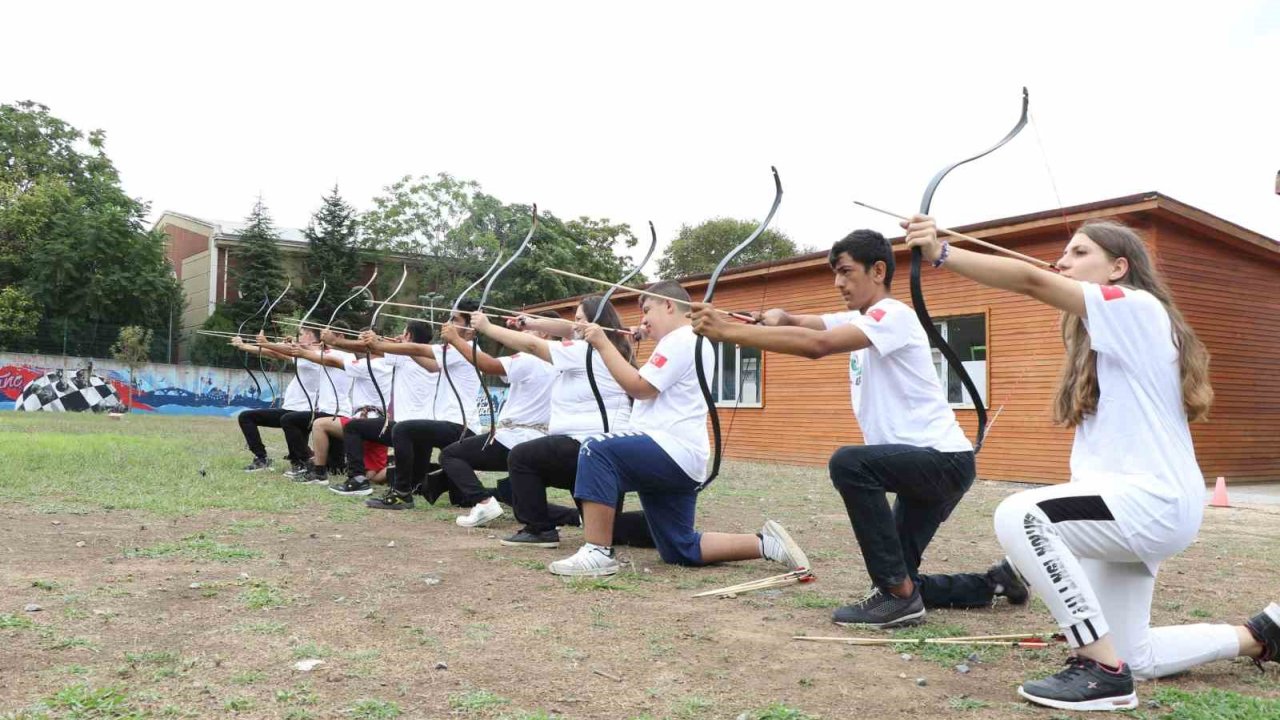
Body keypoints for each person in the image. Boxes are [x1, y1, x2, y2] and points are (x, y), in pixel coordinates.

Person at [903, 215, 1279, 711]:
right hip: (1128, 508)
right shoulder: (1105, 339)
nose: (1063, 261)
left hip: (1150, 501)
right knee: (1133, 652)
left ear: (1119, 267)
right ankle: (1259, 634)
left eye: (1080, 253)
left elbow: (1034, 280)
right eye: (1065, 254)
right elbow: (1047, 281)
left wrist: (942, 254)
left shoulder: (1140, 308)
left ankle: (1099, 670)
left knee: (1020, 514)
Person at [691, 230, 1021, 627]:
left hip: (941, 461)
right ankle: (994, 583)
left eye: (846, 272)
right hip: (927, 463)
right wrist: (779, 317)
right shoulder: (861, 318)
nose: (838, 282)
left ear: (878, 270)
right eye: (835, 273)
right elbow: (807, 326)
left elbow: (819, 346)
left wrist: (727, 332)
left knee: (850, 464)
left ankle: (899, 598)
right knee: (897, 571)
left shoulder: (892, 315)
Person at [545, 281, 807, 578]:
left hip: (668, 448)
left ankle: (597, 552)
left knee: (595, 449)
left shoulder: (682, 338)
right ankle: (767, 544)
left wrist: (604, 343)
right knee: (679, 547)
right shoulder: (685, 340)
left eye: (647, 310)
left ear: (668, 305)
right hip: (680, 457)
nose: (642, 319)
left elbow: (639, 388)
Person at [470, 295, 635, 548]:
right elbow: (569, 328)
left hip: (589, 447)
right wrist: (530, 323)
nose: (574, 325)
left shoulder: (583, 350)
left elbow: (534, 347)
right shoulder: (613, 347)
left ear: (595, 324)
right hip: (600, 449)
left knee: (522, 457)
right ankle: (659, 528)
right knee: (612, 531)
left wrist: (487, 327)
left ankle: (539, 530)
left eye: (580, 319)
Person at [440, 311, 560, 527]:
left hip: (514, 438)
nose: (524, 332)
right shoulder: (562, 361)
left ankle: (483, 502)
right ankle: (575, 517)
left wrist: (456, 340)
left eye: (532, 326)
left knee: (450, 455)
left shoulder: (530, 358)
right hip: (539, 442)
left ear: (546, 333)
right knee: (519, 499)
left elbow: (488, 365)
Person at [360, 302, 483, 510]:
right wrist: (398, 347)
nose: (447, 323)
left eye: (454, 320)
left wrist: (379, 344)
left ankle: (401, 493)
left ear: (471, 328)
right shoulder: (459, 351)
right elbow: (432, 365)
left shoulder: (463, 349)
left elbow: (417, 347)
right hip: (457, 426)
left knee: (403, 429)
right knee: (462, 499)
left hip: (460, 427)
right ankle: (423, 483)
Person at [320, 321, 439, 497]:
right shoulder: (436, 357)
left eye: (403, 332)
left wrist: (336, 341)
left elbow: (371, 348)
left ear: (408, 337)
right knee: (416, 484)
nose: (399, 335)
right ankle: (425, 476)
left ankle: (357, 480)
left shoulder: (405, 355)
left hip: (405, 427)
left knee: (353, 427)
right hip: (429, 428)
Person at [231, 335, 316, 473]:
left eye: (303, 334)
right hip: (289, 409)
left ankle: (303, 459)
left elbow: (276, 352)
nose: (298, 337)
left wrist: (268, 343)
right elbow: (275, 353)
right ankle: (262, 457)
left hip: (302, 412)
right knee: (246, 417)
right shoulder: (304, 358)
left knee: (296, 445)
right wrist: (244, 346)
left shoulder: (316, 358)